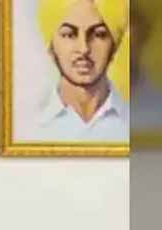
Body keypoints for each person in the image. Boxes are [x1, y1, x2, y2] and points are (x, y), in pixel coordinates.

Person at [31, 0, 129, 142]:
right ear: (51, 47)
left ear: (113, 47)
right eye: (69, 35)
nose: (84, 49)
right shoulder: (28, 123)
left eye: (98, 35)